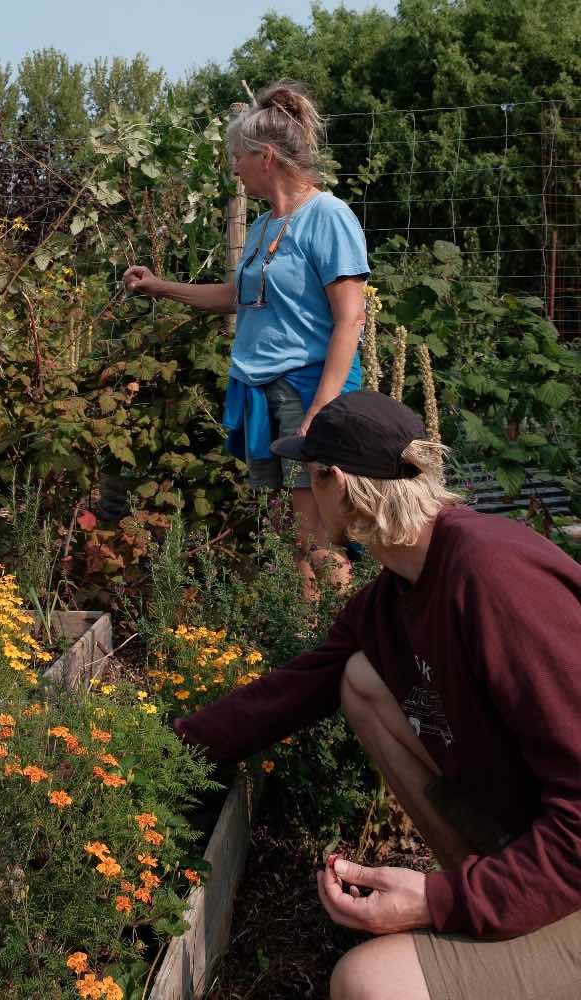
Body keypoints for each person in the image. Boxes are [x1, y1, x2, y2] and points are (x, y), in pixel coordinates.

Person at [172, 390, 581, 1000]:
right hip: (546, 851)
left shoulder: (496, 579)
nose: (299, 502)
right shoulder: (400, 590)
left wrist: (440, 901)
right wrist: (161, 755)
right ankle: (487, 908)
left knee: (367, 983)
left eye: (307, 481)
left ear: (338, 483)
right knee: (359, 678)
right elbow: (293, 690)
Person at [123, 80, 369, 595]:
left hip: (309, 388)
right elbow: (237, 296)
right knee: (288, 532)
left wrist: (321, 409)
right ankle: (306, 643)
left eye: (237, 155)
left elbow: (350, 319)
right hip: (261, 387)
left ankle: (330, 642)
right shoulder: (262, 228)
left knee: (318, 534)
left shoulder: (329, 217)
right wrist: (160, 287)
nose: (232, 167)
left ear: (268, 156)